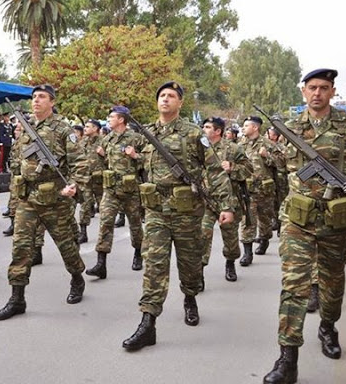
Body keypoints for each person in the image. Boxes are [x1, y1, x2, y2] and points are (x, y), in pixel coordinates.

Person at [263, 68, 346, 384]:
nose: (317, 93)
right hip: (297, 220)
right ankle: (288, 358)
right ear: (303, 92)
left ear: (333, 92)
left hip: (337, 220)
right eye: (312, 87)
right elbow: (277, 167)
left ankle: (327, 326)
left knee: (332, 282)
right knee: (294, 286)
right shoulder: (288, 129)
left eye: (324, 88)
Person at [121, 81, 235, 351]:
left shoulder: (194, 134)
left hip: (187, 213)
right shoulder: (146, 133)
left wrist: (226, 205)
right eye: (162, 95)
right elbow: (138, 167)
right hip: (157, 212)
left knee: (190, 263)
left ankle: (190, 297)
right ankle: (148, 322)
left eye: (171, 96)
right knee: (154, 265)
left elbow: (215, 171)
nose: (165, 99)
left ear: (180, 103)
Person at [0, 84, 87, 321]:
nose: (36, 101)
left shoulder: (64, 130)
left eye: (41, 97)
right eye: (34, 97)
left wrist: (73, 185)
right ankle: (17, 298)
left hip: (55, 199)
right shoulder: (26, 128)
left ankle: (77, 277)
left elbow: (80, 164)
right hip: (28, 199)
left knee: (66, 245)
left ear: (52, 102)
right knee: (21, 247)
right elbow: (17, 159)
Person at [86, 106, 145, 279]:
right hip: (110, 190)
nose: (109, 119)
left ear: (121, 120)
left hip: (131, 190)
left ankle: (138, 254)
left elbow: (151, 159)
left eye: (112, 117)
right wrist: (102, 155)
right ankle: (101, 263)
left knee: (135, 223)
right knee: (105, 223)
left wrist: (135, 156)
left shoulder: (137, 138)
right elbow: (105, 162)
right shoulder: (107, 139)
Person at [200, 116, 252, 286]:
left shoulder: (233, 149)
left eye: (208, 127)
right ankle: (198, 271)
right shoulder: (199, 148)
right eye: (204, 126)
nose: (204, 129)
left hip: (228, 201)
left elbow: (249, 170)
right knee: (202, 235)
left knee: (230, 238)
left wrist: (233, 167)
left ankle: (230, 262)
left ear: (217, 131)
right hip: (205, 200)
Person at [238, 116, 284, 263]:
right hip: (247, 189)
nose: (243, 128)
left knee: (265, 220)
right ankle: (247, 253)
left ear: (255, 127)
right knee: (247, 220)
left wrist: (267, 156)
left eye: (246, 125)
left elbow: (282, 163)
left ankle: (264, 240)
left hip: (265, 190)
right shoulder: (240, 145)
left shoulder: (268, 144)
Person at [77, 119, 105, 243]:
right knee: (85, 205)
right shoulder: (82, 142)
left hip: (101, 180)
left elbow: (115, 160)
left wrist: (104, 154)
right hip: (86, 180)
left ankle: (104, 235)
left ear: (95, 128)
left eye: (88, 126)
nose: (85, 129)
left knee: (104, 208)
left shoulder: (104, 142)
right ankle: (83, 233)